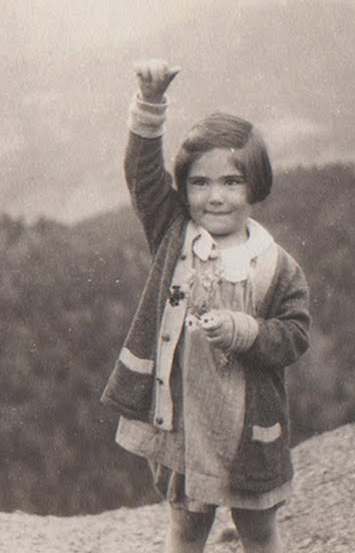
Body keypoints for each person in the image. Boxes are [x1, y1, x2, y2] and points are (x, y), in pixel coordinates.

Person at [101, 59, 313, 553]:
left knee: (258, 530)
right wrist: (150, 103)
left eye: (232, 182)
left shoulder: (276, 266)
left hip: (245, 431)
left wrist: (246, 331)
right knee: (187, 529)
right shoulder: (173, 234)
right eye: (200, 183)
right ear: (184, 187)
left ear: (255, 184)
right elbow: (142, 175)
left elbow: (295, 335)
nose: (215, 197)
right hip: (183, 425)